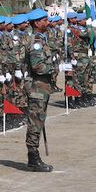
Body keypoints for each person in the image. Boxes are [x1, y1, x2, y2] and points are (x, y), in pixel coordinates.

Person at [24, 9, 57, 172]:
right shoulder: (36, 42)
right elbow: (38, 66)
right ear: (37, 23)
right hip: (37, 86)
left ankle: (33, 156)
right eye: (45, 20)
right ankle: (33, 157)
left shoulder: (42, 39)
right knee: (35, 121)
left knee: (39, 119)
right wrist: (53, 68)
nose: (48, 22)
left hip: (42, 86)